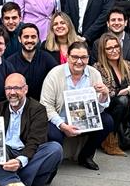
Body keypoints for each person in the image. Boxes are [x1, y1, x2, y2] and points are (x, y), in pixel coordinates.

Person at [0, 73, 63, 186]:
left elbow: (35, 141)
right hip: (7, 154)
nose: (12, 92)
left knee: (55, 149)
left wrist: (21, 161)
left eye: (16, 88)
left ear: (25, 89)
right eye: (8, 88)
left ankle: (4, 182)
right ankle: (14, 185)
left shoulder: (38, 109)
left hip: (28, 153)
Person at [39, 41, 111, 170]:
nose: (79, 62)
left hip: (85, 121)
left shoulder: (94, 74)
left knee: (107, 121)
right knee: (53, 134)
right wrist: (63, 125)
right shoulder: (55, 74)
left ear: (88, 58)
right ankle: (53, 160)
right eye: (75, 57)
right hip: (60, 121)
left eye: (83, 57)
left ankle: (86, 156)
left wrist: (104, 96)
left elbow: (98, 109)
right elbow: (46, 106)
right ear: (68, 57)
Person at [94, 33, 130, 155]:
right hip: (108, 107)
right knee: (122, 99)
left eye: (116, 46)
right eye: (109, 48)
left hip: (127, 111)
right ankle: (110, 140)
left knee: (125, 100)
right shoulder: (98, 68)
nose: (114, 51)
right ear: (103, 51)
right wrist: (120, 92)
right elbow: (104, 93)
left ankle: (119, 136)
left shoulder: (129, 66)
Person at [6, 22, 58, 102]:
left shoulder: (47, 58)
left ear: (38, 39)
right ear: (19, 39)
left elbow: (57, 78)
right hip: (19, 105)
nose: (29, 40)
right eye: (26, 37)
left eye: (33, 37)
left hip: (42, 105)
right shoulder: (10, 62)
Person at [104, 8, 130, 90]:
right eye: (113, 20)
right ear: (108, 23)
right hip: (108, 93)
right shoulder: (98, 44)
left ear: (125, 23)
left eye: (120, 20)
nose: (116, 23)